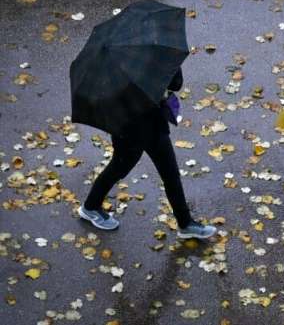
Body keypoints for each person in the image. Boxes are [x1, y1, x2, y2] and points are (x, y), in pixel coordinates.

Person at [78, 69, 217, 239]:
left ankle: (185, 223)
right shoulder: (118, 66)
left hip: (154, 122)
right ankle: (90, 207)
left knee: (170, 173)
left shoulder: (154, 54)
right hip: (127, 128)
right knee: (118, 168)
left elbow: (175, 84)